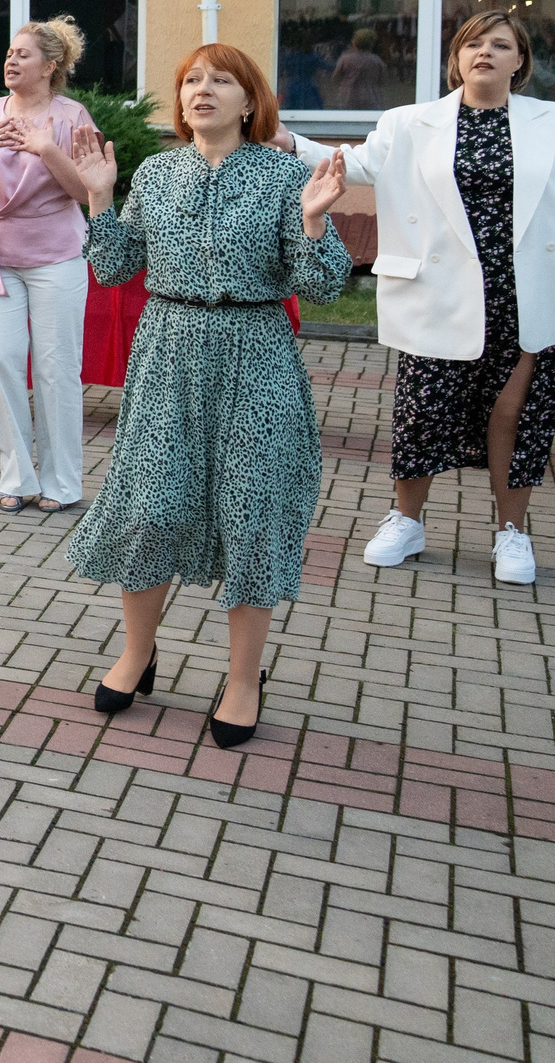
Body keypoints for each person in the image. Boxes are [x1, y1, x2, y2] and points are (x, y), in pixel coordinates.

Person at [283, 10, 555, 587]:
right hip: (438, 291)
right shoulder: (411, 122)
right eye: (472, 44)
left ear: (520, 60)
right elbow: (357, 165)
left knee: (517, 414)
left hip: (524, 293)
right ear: (456, 59)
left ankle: (512, 533)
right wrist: (289, 141)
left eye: (500, 44)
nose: (484, 52)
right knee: (424, 410)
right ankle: (406, 521)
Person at [66, 45, 350, 748]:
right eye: (191, 78)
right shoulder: (158, 175)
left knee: (252, 517)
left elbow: (321, 285)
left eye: (220, 80)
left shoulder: (287, 176)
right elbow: (114, 267)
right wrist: (100, 197)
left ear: (250, 101)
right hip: (167, 350)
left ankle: (244, 679)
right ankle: (139, 651)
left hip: (255, 353)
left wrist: (313, 221)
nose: (202, 89)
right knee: (151, 508)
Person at [0, 19, 97, 514]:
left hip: (55, 254)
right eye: (9, 53)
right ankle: (17, 476)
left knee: (57, 369)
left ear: (51, 66)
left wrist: (47, 148)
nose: (10, 61)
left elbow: (89, 192)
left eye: (23, 55)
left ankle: (61, 482)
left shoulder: (72, 115)